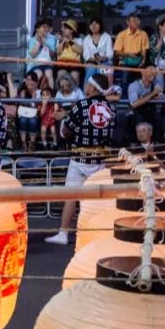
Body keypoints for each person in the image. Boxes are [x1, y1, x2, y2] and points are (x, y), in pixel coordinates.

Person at [45, 72, 117, 246]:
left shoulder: (81, 105)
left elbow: (66, 129)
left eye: (87, 84)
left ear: (92, 87)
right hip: (100, 159)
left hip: (79, 158)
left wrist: (73, 135)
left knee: (71, 195)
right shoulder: (111, 109)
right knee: (97, 200)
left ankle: (64, 233)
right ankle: (96, 235)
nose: (85, 87)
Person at [113, 14, 149, 88]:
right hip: (125, 62)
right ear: (128, 22)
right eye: (133, 20)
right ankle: (124, 96)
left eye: (137, 20)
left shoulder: (143, 34)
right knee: (125, 79)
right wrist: (128, 54)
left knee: (143, 79)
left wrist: (143, 61)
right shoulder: (122, 34)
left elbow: (144, 50)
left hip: (139, 62)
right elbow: (117, 52)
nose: (135, 22)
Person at [15, 73, 41, 152]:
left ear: (36, 82)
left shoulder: (39, 92)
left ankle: (32, 143)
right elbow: (18, 104)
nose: (29, 82)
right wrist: (22, 98)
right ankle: (23, 143)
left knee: (33, 120)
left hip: (35, 114)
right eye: (27, 80)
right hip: (24, 113)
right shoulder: (22, 90)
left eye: (31, 80)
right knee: (23, 120)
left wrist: (33, 96)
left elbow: (36, 107)